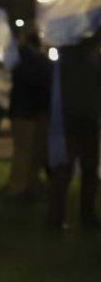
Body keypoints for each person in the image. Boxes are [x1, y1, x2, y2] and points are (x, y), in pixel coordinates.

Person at [48, 32, 100, 230]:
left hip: (71, 119)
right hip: (82, 119)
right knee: (85, 170)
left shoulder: (67, 59)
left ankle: (58, 216)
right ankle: (85, 215)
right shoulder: (87, 61)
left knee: (65, 171)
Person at [7, 31, 51, 201]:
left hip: (22, 111)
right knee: (28, 152)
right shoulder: (37, 62)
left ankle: (27, 184)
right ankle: (20, 187)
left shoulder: (20, 60)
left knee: (26, 151)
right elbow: (42, 84)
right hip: (31, 112)